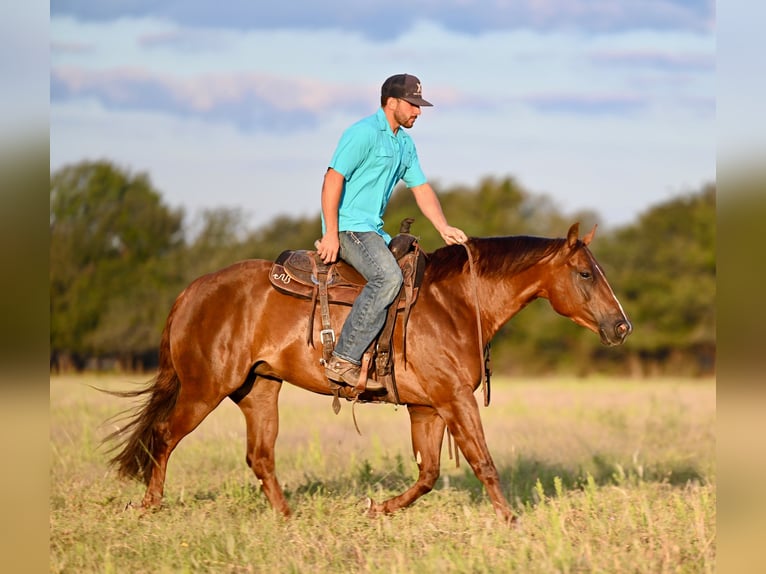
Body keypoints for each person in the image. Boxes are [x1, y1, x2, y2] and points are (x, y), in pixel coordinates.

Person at [315, 73, 468, 391]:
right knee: (388, 278)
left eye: (420, 105)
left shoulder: (404, 144)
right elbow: (332, 179)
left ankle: (390, 360)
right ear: (391, 102)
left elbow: (421, 188)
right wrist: (331, 233)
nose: (418, 112)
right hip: (349, 227)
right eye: (413, 104)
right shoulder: (363, 133)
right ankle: (343, 359)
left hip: (374, 232)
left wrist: (443, 227)